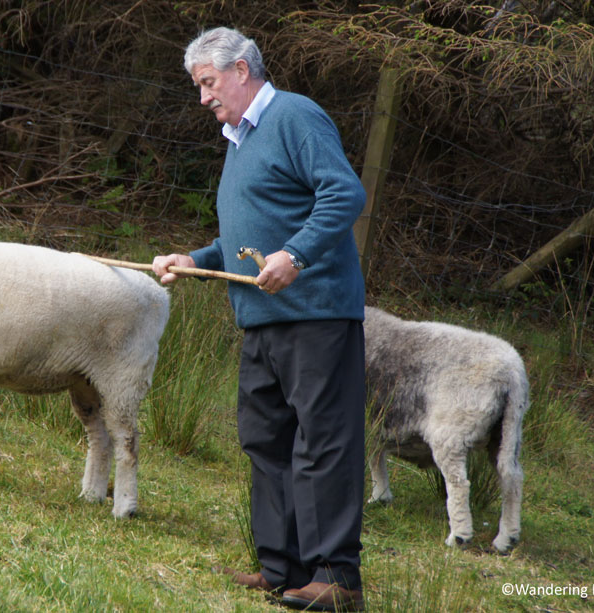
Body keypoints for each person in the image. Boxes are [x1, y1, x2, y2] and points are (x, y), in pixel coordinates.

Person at [152, 26, 367, 612]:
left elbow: (344, 194)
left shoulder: (295, 116)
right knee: (265, 441)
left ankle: (335, 580)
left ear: (242, 70)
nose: (203, 98)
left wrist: (295, 256)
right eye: (199, 86)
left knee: (321, 443)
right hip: (262, 319)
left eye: (208, 83)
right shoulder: (238, 139)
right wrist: (193, 260)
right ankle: (282, 571)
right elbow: (243, 238)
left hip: (316, 313)